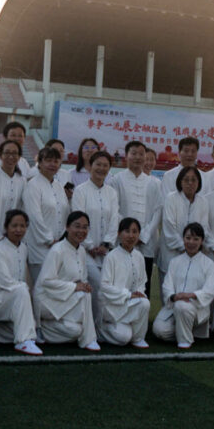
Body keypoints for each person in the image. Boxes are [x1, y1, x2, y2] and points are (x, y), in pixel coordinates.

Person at [34, 211, 101, 351]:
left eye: (85, 227)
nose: (81, 231)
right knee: (85, 296)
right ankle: (89, 339)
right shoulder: (57, 250)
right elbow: (46, 281)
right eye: (77, 226)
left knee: (75, 330)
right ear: (67, 227)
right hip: (47, 300)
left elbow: (80, 279)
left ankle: (41, 329)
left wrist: (83, 285)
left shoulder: (82, 251)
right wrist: (75, 286)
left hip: (66, 297)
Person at [0, 209, 42, 355]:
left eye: (22, 226)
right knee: (22, 292)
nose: (18, 230)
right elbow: (4, 282)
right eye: (14, 226)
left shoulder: (24, 248)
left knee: (28, 323)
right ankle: (24, 342)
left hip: (9, 297)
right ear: (6, 227)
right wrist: (23, 289)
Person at [71, 151, 119, 322]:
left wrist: (106, 244)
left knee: (107, 287)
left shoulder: (111, 193)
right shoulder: (80, 191)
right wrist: (90, 245)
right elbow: (78, 220)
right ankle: (92, 325)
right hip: (86, 251)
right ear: (90, 166)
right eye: (98, 164)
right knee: (96, 285)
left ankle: (103, 324)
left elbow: (115, 219)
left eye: (105, 165)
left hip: (106, 251)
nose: (101, 168)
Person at [152, 222, 214, 349]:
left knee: (182, 306)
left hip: (197, 310)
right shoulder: (174, 262)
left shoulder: (208, 263)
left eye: (196, 239)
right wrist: (175, 296)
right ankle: (185, 331)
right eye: (188, 238)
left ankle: (185, 341)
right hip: (174, 307)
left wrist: (190, 295)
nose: (191, 242)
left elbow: (210, 290)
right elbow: (167, 286)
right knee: (159, 331)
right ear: (183, 239)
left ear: (202, 241)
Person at [111, 141, 162, 295]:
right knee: (121, 282)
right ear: (127, 156)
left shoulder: (154, 183)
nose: (138, 157)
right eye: (134, 153)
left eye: (141, 154)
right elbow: (115, 209)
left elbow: (157, 211)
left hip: (146, 242)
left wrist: (143, 235)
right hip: (123, 240)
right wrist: (127, 233)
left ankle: (141, 318)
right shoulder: (117, 179)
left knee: (143, 284)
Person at [97, 217, 151, 348]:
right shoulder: (111, 256)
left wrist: (139, 292)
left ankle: (138, 338)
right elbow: (104, 286)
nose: (131, 235)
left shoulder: (139, 256)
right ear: (119, 233)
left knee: (144, 302)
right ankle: (102, 329)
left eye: (135, 231)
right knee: (123, 338)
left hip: (130, 304)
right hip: (113, 305)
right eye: (127, 231)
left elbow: (142, 281)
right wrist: (127, 295)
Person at [23, 145, 71, 286]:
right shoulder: (33, 185)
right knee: (41, 287)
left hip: (59, 245)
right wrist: (49, 239)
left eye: (56, 161)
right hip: (40, 246)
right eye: (48, 160)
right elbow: (34, 216)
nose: (52, 164)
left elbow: (65, 213)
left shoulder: (58, 186)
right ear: (40, 163)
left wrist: (62, 239)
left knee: (56, 286)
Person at [159, 166, 210, 284]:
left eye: (194, 180)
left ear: (199, 183)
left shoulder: (203, 202)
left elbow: (203, 228)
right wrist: (186, 248)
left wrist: (194, 248)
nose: (190, 183)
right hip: (172, 254)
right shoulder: (171, 198)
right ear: (180, 181)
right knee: (169, 294)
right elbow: (169, 228)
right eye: (186, 180)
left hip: (194, 256)